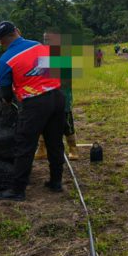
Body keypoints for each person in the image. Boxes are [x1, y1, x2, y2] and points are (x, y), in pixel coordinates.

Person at [0, 21, 65, 201]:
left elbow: (6, 91)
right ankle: (56, 182)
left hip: (34, 104)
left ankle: (17, 190)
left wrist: (8, 101)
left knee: (25, 145)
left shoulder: (5, 60)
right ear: (17, 31)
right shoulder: (41, 46)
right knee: (55, 142)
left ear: (1, 41)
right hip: (57, 97)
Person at [35, 32, 78, 161]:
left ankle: (73, 147)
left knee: (66, 121)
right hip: (45, 94)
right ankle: (42, 148)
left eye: (49, 39)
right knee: (43, 121)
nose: (46, 41)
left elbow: (66, 80)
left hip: (62, 94)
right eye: (45, 39)